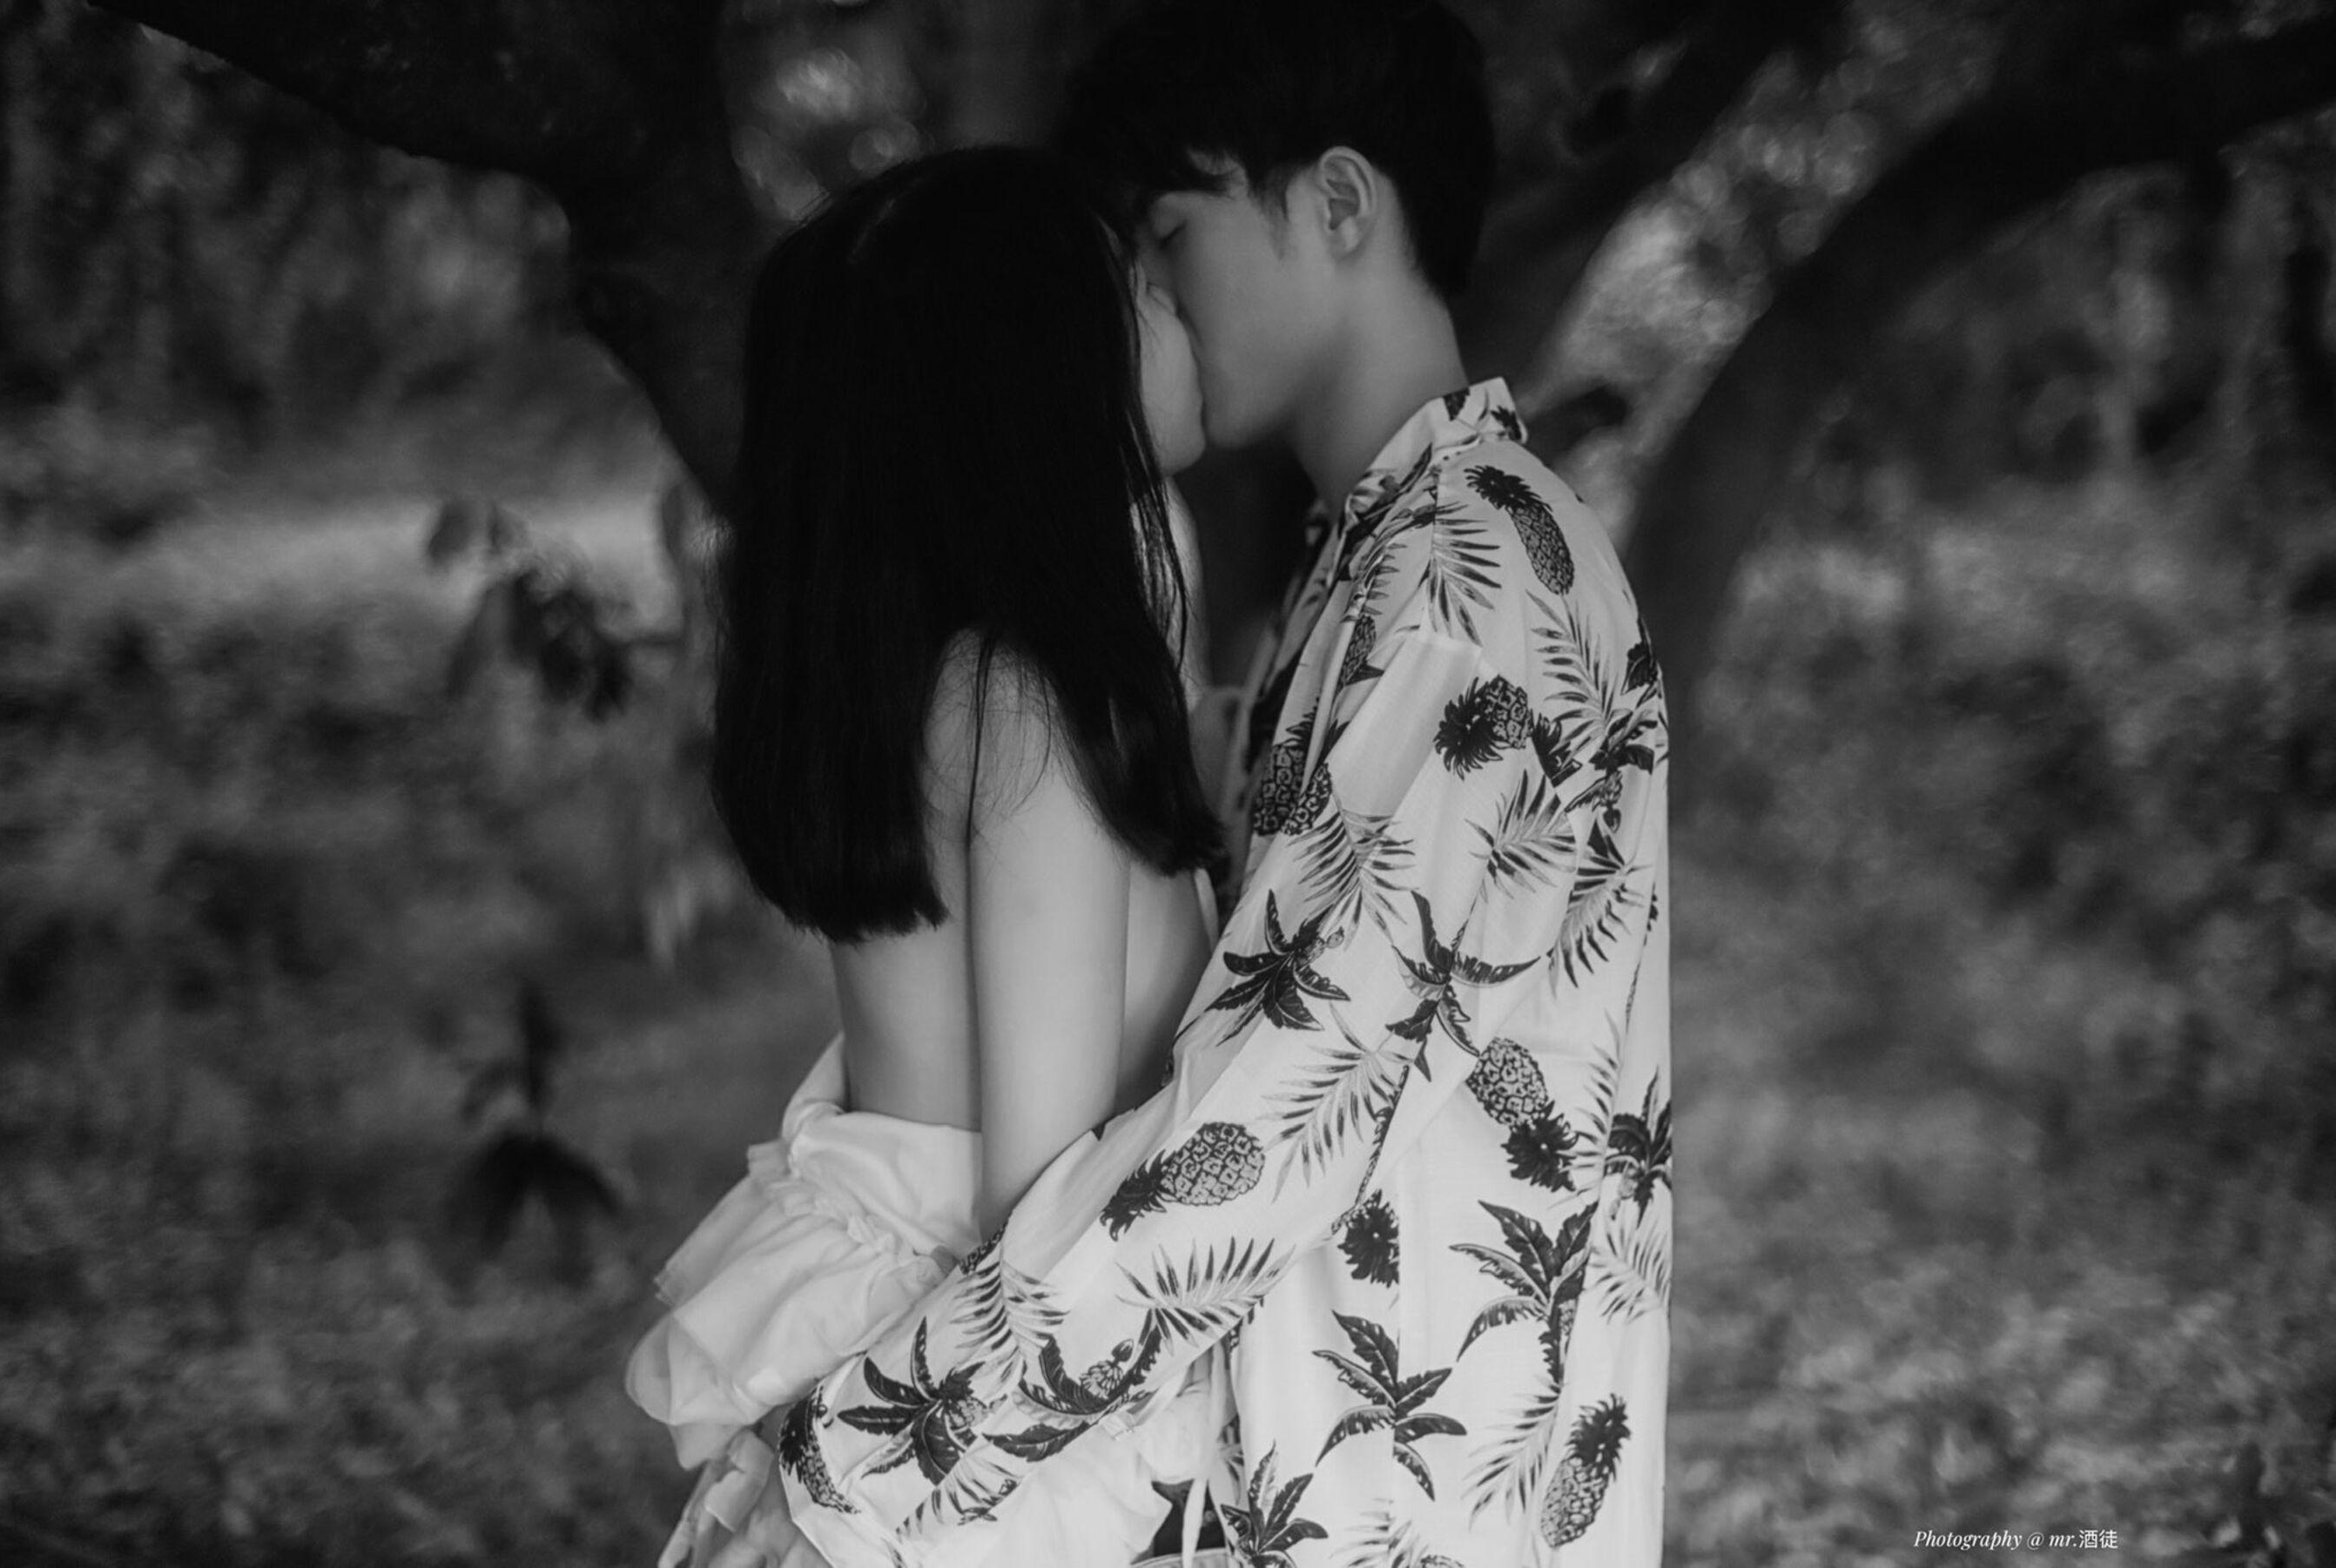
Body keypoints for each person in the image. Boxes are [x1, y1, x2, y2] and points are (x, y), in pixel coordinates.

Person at [777, 2, 1672, 1566]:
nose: (1153, 291)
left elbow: (1267, 1123)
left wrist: (866, 1460)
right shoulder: (1377, 568)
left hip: (1399, 1505)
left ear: (1339, 203)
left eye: (1172, 233)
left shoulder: (1462, 589)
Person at [623, 145, 1242, 1568]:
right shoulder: (1022, 708)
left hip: (915, 1330)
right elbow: (1044, 1211)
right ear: (1044, 374)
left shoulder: (931, 681)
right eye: (1137, 290)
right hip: (979, 1385)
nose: (1177, 303)